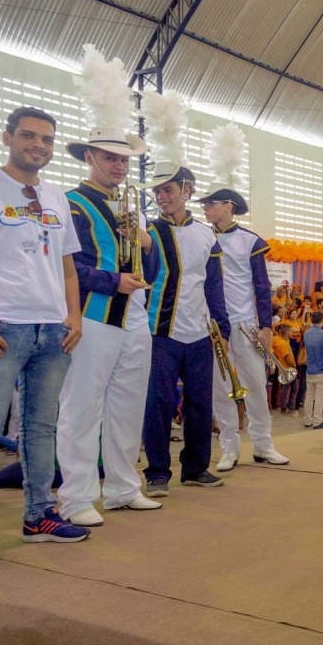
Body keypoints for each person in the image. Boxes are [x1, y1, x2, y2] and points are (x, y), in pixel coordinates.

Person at [0, 107, 91, 562]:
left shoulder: (55, 197)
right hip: (2, 327)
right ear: (7, 137)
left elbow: (67, 266)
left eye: (47, 139)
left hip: (53, 331)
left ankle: (39, 516)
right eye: (28, 135)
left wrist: (74, 315)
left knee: (41, 428)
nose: (38, 145)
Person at [56, 119, 162, 527]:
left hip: (135, 316)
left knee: (128, 408)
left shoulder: (133, 209)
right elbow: (67, 266)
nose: (119, 166)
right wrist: (113, 281)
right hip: (92, 315)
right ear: (89, 157)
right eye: (110, 158)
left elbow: (153, 269)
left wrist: (146, 242)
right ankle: (76, 498)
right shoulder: (70, 204)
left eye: (124, 160)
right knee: (82, 407)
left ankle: (123, 488)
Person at [139, 159, 230, 497]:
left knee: (200, 404)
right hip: (159, 331)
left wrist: (223, 328)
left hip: (200, 333)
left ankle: (195, 468)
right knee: (158, 403)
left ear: (186, 191)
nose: (161, 197)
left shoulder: (207, 235)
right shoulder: (150, 232)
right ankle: (157, 472)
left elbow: (214, 285)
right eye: (157, 191)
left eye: (168, 190)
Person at [197, 178, 289, 471]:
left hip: (245, 325)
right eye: (204, 203)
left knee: (256, 384)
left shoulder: (250, 241)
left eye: (211, 203)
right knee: (220, 387)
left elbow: (262, 287)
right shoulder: (201, 237)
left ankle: (263, 445)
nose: (205, 208)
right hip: (212, 326)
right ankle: (229, 448)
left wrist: (266, 327)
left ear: (229, 206)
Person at [303, 310, 323, 429]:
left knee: (309, 396)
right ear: (322, 320)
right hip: (322, 369)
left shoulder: (306, 334)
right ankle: (317, 421)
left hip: (310, 369)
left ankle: (307, 420)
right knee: (320, 396)